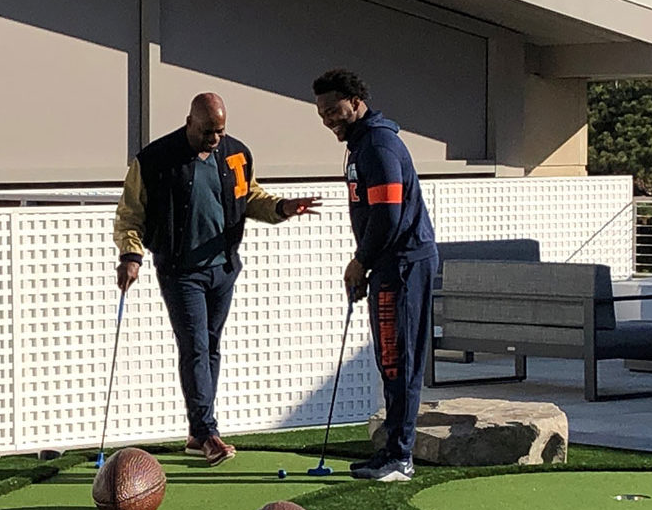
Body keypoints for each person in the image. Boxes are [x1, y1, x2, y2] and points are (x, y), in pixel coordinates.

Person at [113, 92, 321, 466]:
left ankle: (197, 433)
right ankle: (207, 431)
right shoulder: (154, 160)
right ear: (190, 121)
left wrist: (283, 208)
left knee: (210, 345)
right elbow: (130, 214)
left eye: (220, 131)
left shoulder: (236, 153)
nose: (215, 139)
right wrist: (131, 256)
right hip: (180, 269)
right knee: (194, 345)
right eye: (208, 131)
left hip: (223, 266)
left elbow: (250, 197)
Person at [313, 68, 437, 482]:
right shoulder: (361, 144)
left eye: (334, 110)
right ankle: (390, 450)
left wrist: (359, 261)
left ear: (356, 101)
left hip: (401, 265)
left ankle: (400, 456)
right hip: (387, 264)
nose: (329, 119)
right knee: (389, 359)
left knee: (400, 360)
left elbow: (388, 215)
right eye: (322, 114)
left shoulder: (380, 145)